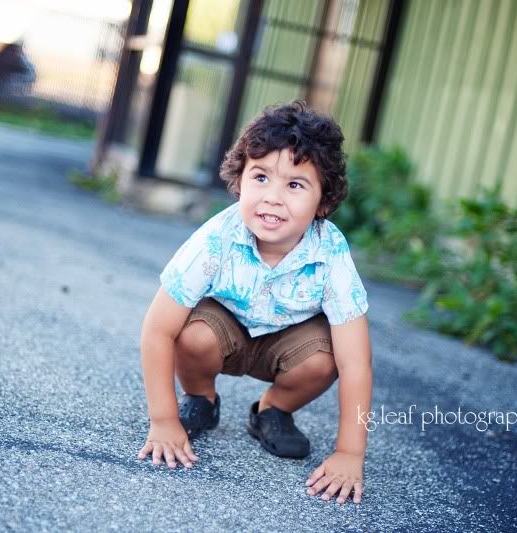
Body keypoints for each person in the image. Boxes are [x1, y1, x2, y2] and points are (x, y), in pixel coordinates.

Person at [137, 100, 372, 505]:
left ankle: (272, 410)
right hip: (223, 329)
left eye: (295, 185)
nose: (273, 198)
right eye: (261, 177)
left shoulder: (330, 251)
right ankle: (200, 400)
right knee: (191, 337)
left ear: (324, 203)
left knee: (328, 358)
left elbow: (357, 363)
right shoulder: (218, 238)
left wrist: (350, 453)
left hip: (290, 343)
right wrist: (163, 420)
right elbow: (157, 329)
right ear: (240, 179)